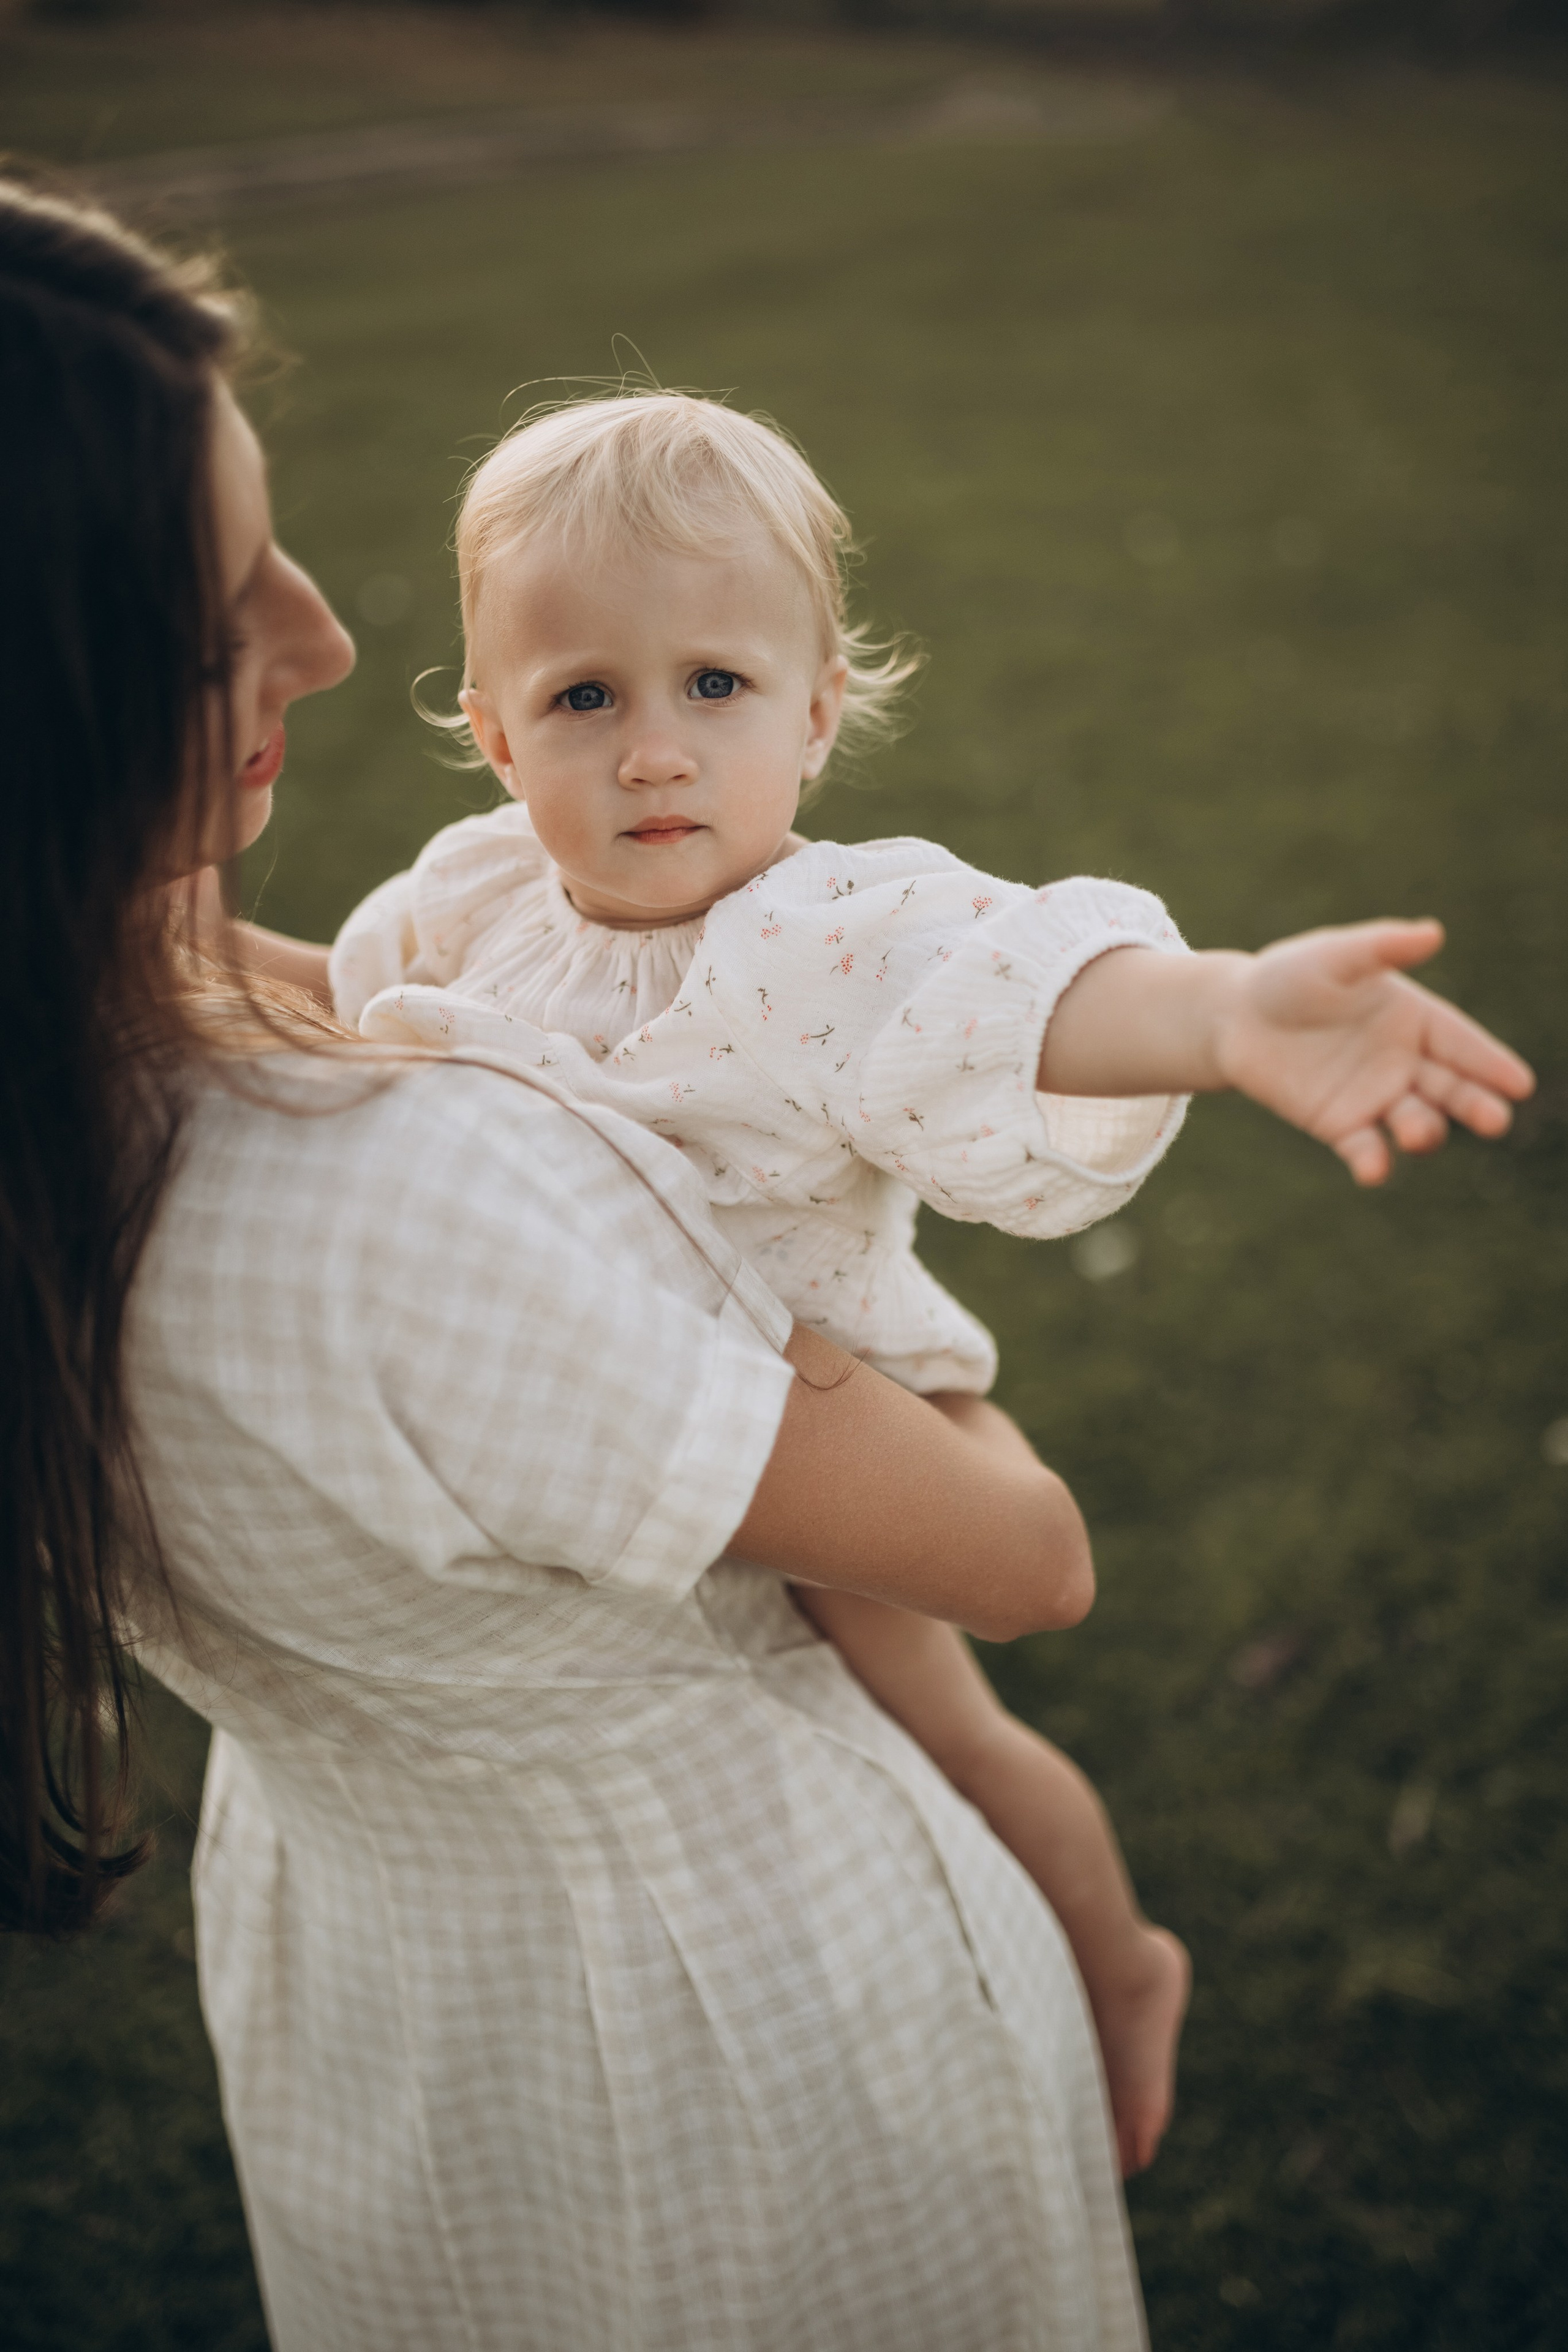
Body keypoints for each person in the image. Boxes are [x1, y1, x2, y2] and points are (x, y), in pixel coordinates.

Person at [1, 176, 1146, 2352]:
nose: (324, 639)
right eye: (220, 605)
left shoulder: (94, 1082)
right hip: (728, 2044)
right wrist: (848, 1349)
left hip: (375, 2008)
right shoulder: (397, 1212)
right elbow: (1027, 1556)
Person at [316, 393, 1536, 2179]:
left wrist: (1218, 1015)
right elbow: (353, 1024)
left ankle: (1121, 1959)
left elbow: (1010, 993)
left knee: (945, 1723)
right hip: (650, 1398)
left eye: (714, 686)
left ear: (816, 712)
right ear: (497, 737)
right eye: (586, 699)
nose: (654, 753)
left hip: (855, 1395)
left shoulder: (813, 938)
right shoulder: (485, 901)